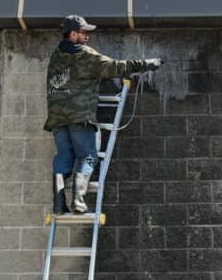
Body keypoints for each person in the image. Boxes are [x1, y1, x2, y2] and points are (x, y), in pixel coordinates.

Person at [45, 14, 162, 214]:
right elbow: (116, 67)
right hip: (80, 117)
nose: (87, 36)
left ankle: (58, 202)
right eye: (83, 32)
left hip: (57, 120)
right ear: (73, 34)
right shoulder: (85, 55)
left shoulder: (55, 56)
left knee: (63, 157)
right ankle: (78, 200)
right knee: (88, 156)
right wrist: (146, 64)